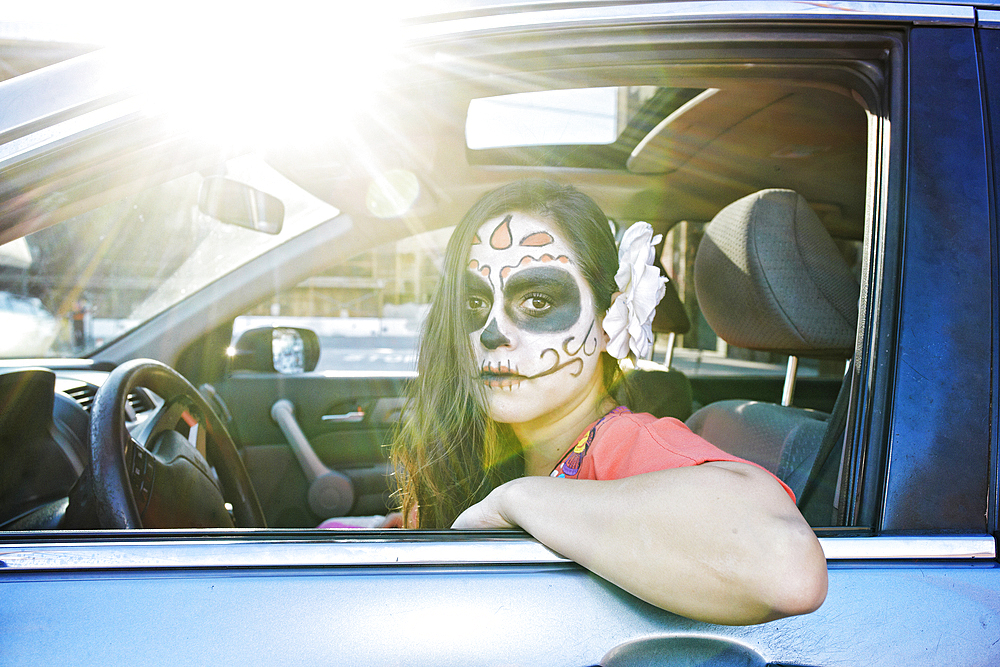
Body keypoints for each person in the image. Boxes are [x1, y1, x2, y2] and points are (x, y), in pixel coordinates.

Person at [390, 179, 827, 625]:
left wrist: (516, 500)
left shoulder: (625, 443)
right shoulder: (494, 439)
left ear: (607, 320)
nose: (491, 333)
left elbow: (786, 565)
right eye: (475, 301)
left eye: (537, 300)